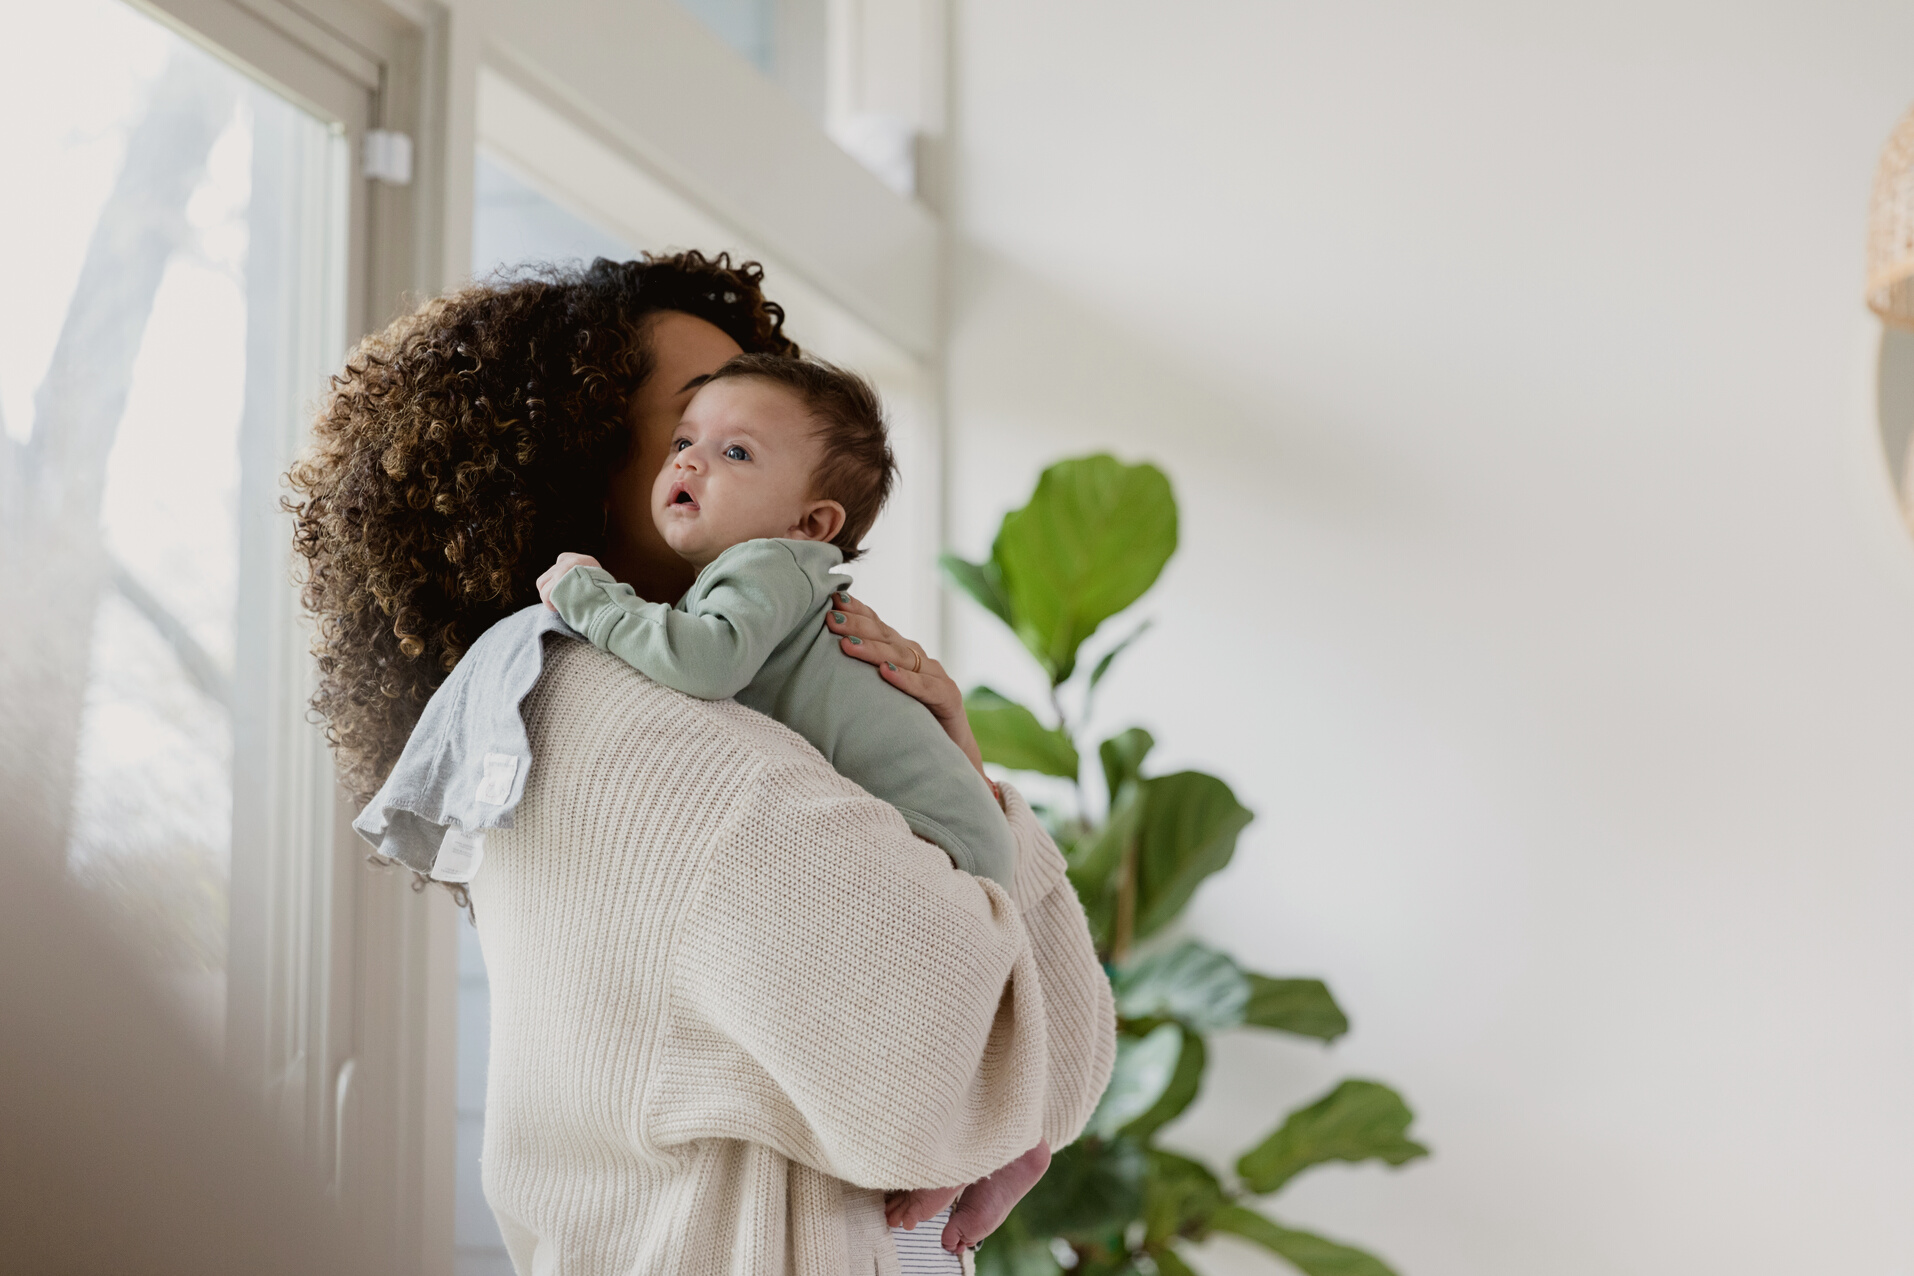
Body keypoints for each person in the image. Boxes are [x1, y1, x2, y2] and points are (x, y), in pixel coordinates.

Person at [286, 253, 1115, 1274]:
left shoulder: (549, 708)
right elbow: (978, 1077)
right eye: (693, 429)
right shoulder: (656, 742)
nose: (719, 450)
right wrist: (978, 811)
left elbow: (1027, 1081)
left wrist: (950, 761)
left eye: (745, 441)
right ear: (575, 468)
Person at [533, 351, 1044, 1248]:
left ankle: (987, 1137)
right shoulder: (768, 583)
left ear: (814, 521)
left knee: (893, 1029)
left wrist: (594, 598)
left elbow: (703, 663)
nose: (687, 463)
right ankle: (1003, 1138)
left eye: (734, 454)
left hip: (939, 837)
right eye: (685, 442)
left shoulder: (766, 568)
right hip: (956, 832)